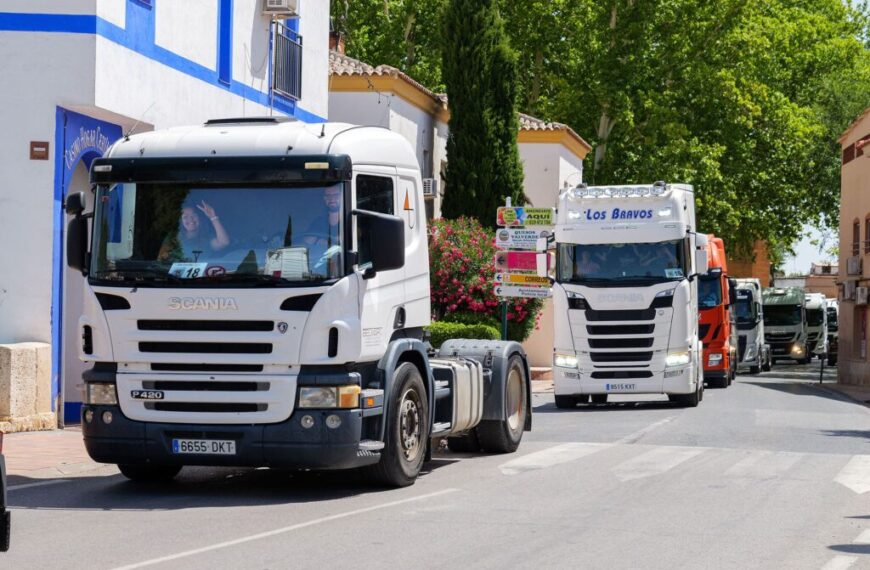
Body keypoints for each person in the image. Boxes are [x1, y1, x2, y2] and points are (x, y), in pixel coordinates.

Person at [159, 200, 230, 262]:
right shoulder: (173, 237)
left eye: (194, 215)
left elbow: (224, 242)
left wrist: (213, 217)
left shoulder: (207, 238)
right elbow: (161, 258)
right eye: (185, 217)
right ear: (181, 221)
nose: (190, 219)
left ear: (199, 218)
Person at [302, 186, 343, 275]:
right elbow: (307, 241)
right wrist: (328, 241)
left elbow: (345, 242)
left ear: (342, 196)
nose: (331, 198)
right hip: (318, 270)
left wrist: (319, 240)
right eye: (328, 196)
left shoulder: (349, 219)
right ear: (324, 199)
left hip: (342, 271)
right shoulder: (319, 221)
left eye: (335, 195)